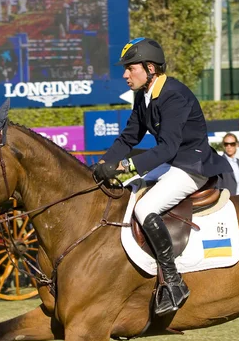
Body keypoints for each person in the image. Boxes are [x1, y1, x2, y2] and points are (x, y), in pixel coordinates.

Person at [93, 37, 232, 316]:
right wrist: (103, 164)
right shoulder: (144, 95)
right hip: (173, 162)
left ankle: (173, 280)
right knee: (126, 191)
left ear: (150, 68)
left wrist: (127, 167)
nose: (125, 74)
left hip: (193, 166)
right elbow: (130, 136)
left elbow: (167, 147)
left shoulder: (173, 95)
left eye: (130, 68)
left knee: (145, 207)